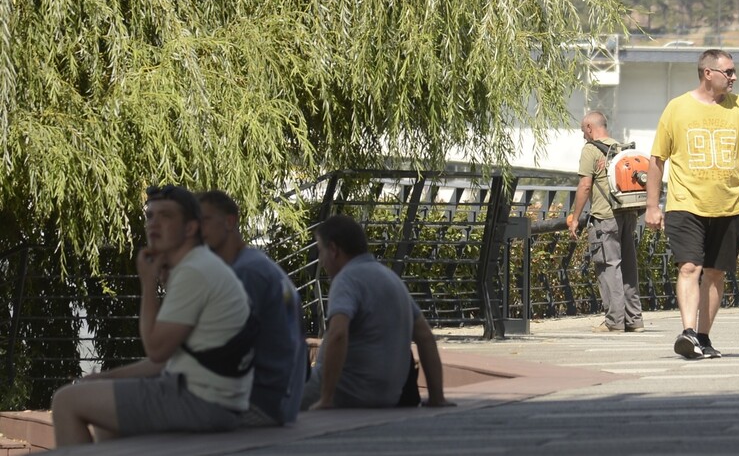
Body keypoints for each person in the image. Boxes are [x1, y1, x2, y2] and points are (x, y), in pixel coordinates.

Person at [51, 185, 254, 446]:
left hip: (202, 401)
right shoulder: (198, 265)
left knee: (66, 401)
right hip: (216, 398)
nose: (153, 224)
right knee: (107, 419)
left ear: (190, 228)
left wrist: (148, 284)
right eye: (150, 216)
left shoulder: (194, 272)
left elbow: (157, 350)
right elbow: (167, 361)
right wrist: (105, 377)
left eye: (166, 216)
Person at [646, 49, 739, 360]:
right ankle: (687, 332)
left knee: (715, 274)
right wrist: (652, 206)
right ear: (708, 73)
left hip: (729, 206)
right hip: (686, 204)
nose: (734, 77)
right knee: (689, 266)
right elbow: (657, 159)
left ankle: (702, 336)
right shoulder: (677, 108)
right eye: (729, 72)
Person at [301, 214, 452, 409]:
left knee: (267, 399)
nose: (321, 261)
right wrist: (436, 397)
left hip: (345, 390)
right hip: (388, 395)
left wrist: (326, 399)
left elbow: (338, 334)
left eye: (320, 251)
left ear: (333, 249)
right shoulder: (391, 279)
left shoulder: (346, 280)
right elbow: (425, 337)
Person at [199, 190, 309, 425]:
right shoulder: (259, 265)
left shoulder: (246, 274)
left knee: (142, 410)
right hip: (280, 399)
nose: (199, 230)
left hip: (259, 403)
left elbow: (222, 348)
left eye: (205, 220)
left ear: (229, 222)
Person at [567, 110, 645, 333]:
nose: (583, 136)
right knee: (628, 266)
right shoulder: (621, 148)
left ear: (590, 128)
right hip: (627, 213)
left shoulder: (591, 150)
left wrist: (574, 218)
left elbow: (585, 186)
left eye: (584, 131)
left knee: (609, 266)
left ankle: (614, 322)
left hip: (604, 217)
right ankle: (634, 319)